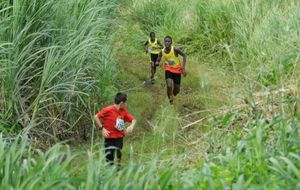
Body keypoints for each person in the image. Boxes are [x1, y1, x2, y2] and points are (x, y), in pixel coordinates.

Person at [94, 92, 136, 167]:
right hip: (109, 137)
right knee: (109, 156)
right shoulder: (108, 110)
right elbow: (96, 116)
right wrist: (102, 128)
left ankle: (117, 171)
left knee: (118, 154)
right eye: (125, 103)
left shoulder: (124, 111)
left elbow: (133, 120)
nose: (126, 104)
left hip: (119, 138)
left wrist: (131, 126)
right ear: (121, 103)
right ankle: (109, 172)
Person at [155, 36, 187, 104]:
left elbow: (184, 55)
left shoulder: (175, 49)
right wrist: (157, 62)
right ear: (164, 42)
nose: (167, 43)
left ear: (171, 42)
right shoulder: (162, 51)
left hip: (177, 70)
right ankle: (170, 99)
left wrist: (183, 68)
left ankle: (173, 94)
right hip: (168, 69)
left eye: (168, 41)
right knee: (169, 85)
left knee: (177, 90)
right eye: (165, 41)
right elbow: (158, 58)